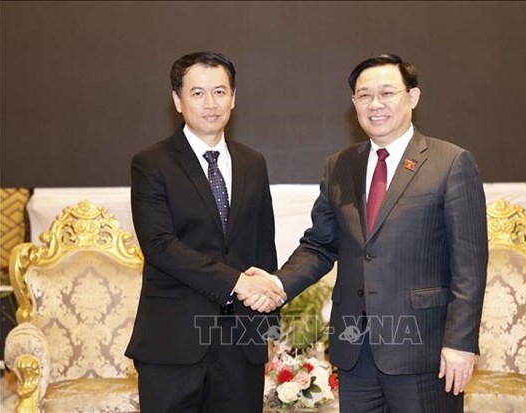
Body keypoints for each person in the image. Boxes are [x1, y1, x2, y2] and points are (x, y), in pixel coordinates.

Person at [243, 53, 488, 412]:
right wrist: (278, 286)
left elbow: (470, 263)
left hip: (425, 350)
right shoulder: (340, 166)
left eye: (387, 93)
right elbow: (320, 245)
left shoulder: (450, 163)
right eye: (364, 95)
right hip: (355, 350)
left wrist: (461, 343)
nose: (376, 105)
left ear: (412, 97)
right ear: (354, 103)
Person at [125, 51, 286, 413]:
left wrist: (269, 330)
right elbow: (160, 246)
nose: (210, 103)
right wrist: (236, 282)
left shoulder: (253, 163)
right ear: (177, 101)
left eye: (219, 91)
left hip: (242, 343)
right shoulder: (152, 163)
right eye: (197, 93)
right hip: (174, 343)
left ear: (234, 97)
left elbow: (264, 249)